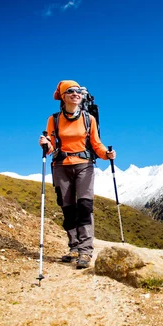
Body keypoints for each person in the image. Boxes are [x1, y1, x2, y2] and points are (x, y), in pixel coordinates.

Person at [38, 80, 116, 269]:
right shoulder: (53, 120)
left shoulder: (89, 119)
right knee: (67, 207)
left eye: (79, 91)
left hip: (84, 166)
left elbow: (96, 143)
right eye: (71, 91)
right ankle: (74, 246)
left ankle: (85, 251)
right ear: (63, 96)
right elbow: (51, 146)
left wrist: (106, 154)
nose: (76, 93)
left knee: (85, 205)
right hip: (61, 166)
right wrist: (46, 144)